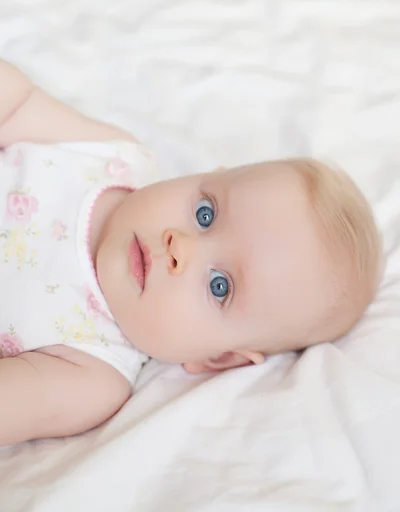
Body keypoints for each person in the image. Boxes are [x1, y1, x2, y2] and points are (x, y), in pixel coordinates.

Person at [0, 61, 381, 446]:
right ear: (208, 175)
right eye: (206, 213)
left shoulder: (90, 375)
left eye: (220, 286)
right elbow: (16, 104)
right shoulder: (113, 157)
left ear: (220, 358)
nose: (180, 246)